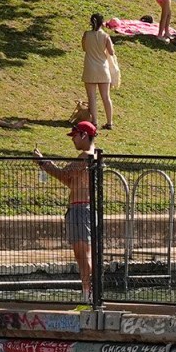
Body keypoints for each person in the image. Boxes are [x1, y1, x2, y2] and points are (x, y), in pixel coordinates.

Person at [34, 121, 100, 297]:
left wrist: (43, 162)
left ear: (84, 135)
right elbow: (69, 181)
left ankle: (90, 294)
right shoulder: (91, 158)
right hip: (79, 209)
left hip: (81, 210)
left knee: (83, 254)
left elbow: (62, 174)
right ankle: (88, 293)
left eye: (75, 136)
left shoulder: (86, 156)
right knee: (81, 255)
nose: (73, 140)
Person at [80, 12, 119, 128]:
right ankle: (109, 122)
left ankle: (94, 122)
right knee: (106, 97)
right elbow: (111, 52)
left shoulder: (86, 34)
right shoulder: (105, 36)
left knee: (92, 97)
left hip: (90, 68)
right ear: (102, 23)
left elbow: (84, 48)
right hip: (103, 68)